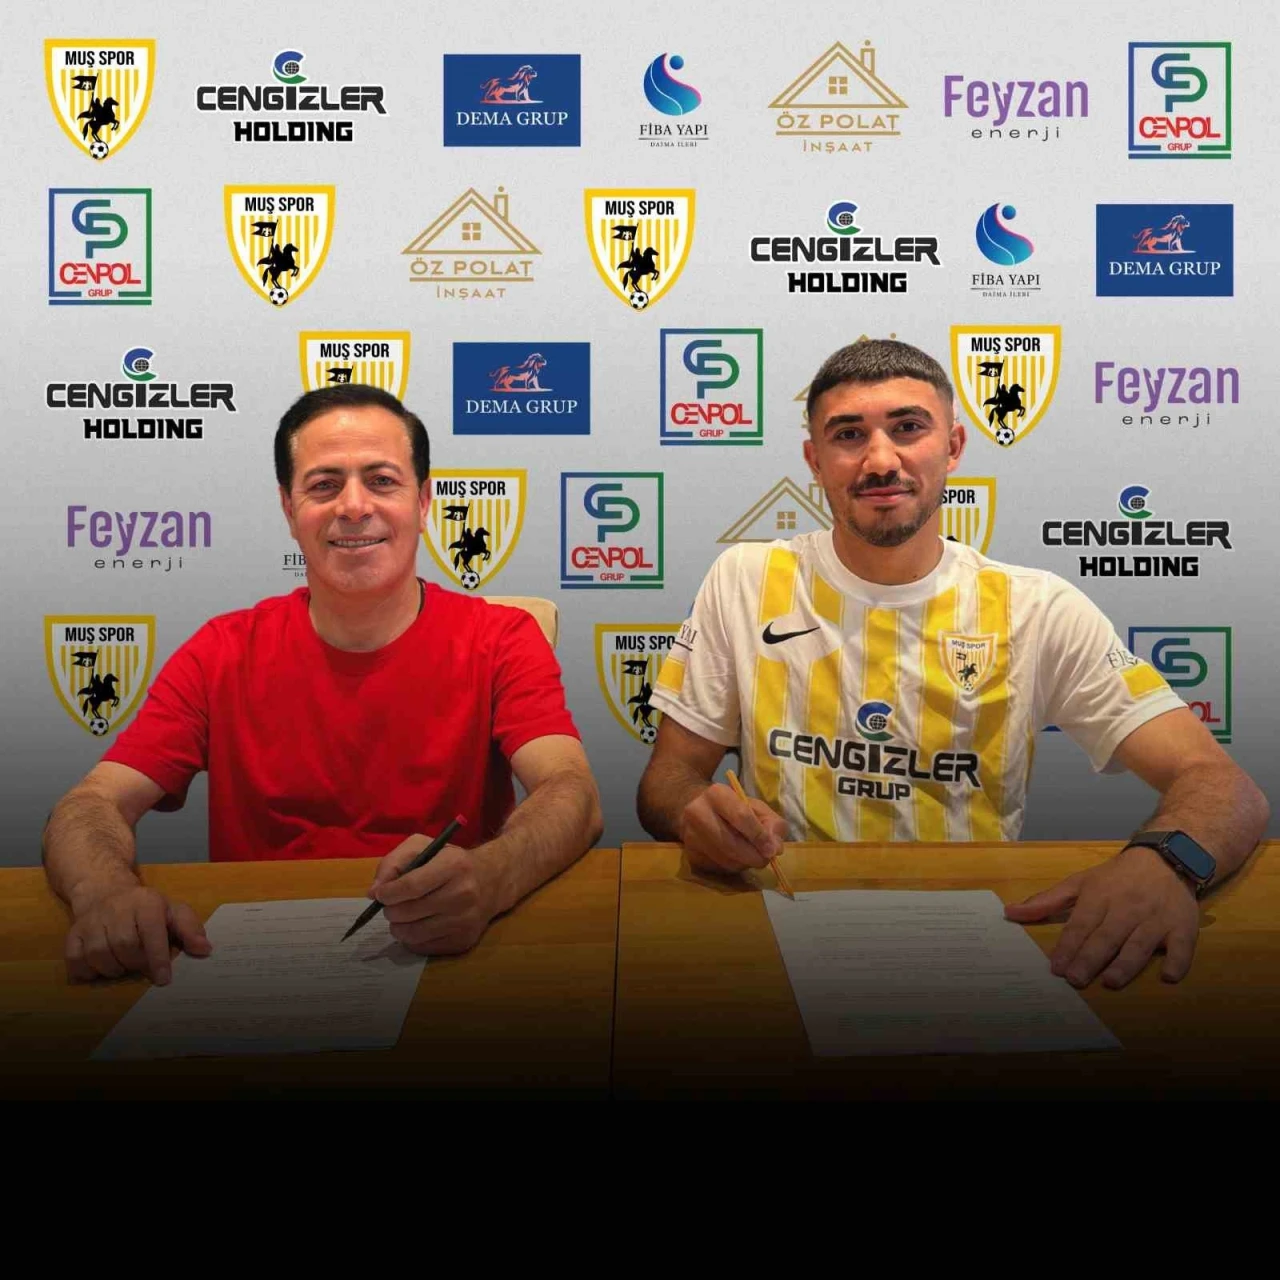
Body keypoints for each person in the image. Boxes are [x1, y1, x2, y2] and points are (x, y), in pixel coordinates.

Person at [637, 339, 1268, 991]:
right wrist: (692, 812)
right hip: (783, 922)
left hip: (975, 949)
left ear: (954, 447)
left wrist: (1167, 863)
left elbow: (1224, 787)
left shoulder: (1035, 608)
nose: (881, 460)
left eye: (908, 428)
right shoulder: (746, 579)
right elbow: (667, 778)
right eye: (848, 435)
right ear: (814, 462)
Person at [43, 385, 603, 984]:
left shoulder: (501, 639)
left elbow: (572, 791)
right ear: (289, 509)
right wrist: (105, 894)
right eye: (324, 485)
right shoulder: (220, 652)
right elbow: (90, 805)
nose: (354, 506)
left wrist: (494, 875)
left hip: (448, 958)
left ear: (423, 503)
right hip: (254, 969)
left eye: (382, 481)